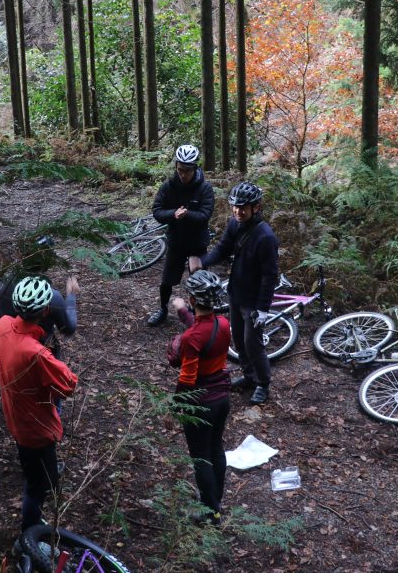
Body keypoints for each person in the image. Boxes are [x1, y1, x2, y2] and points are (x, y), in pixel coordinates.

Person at [0, 276, 78, 532]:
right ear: (45, 312)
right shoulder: (37, 353)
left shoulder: (4, 324)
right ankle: (29, 535)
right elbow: (68, 385)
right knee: (37, 487)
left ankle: (47, 482)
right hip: (36, 428)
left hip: (16, 413)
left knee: (41, 473)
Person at [189, 182, 279, 405]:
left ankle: (263, 383)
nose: (238, 211)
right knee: (238, 339)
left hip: (253, 301)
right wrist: (202, 262)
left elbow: (269, 276)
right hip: (236, 292)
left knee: (253, 344)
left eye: (243, 208)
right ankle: (249, 376)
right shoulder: (235, 224)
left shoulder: (265, 237)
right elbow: (223, 247)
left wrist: (263, 309)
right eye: (235, 207)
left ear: (256, 208)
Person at [168, 270, 231, 524]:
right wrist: (183, 311)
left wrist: (175, 406)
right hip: (222, 399)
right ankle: (215, 501)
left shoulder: (191, 338)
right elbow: (203, 330)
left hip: (201, 404)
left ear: (194, 299)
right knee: (216, 448)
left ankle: (210, 512)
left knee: (200, 457)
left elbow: (187, 378)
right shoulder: (223, 324)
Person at [146, 144, 214, 326]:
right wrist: (173, 214)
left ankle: (198, 315)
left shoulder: (205, 188)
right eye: (180, 170)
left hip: (197, 243)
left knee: (199, 280)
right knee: (167, 281)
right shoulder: (168, 186)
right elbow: (157, 211)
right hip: (176, 242)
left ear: (195, 168)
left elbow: (205, 215)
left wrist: (187, 214)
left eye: (187, 171)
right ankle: (163, 309)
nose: (183, 174)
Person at [0, 236, 79, 356]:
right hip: (42, 353)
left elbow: (1, 319)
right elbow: (68, 329)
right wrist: (71, 296)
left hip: (11, 347)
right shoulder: (52, 297)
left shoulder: (1, 285)